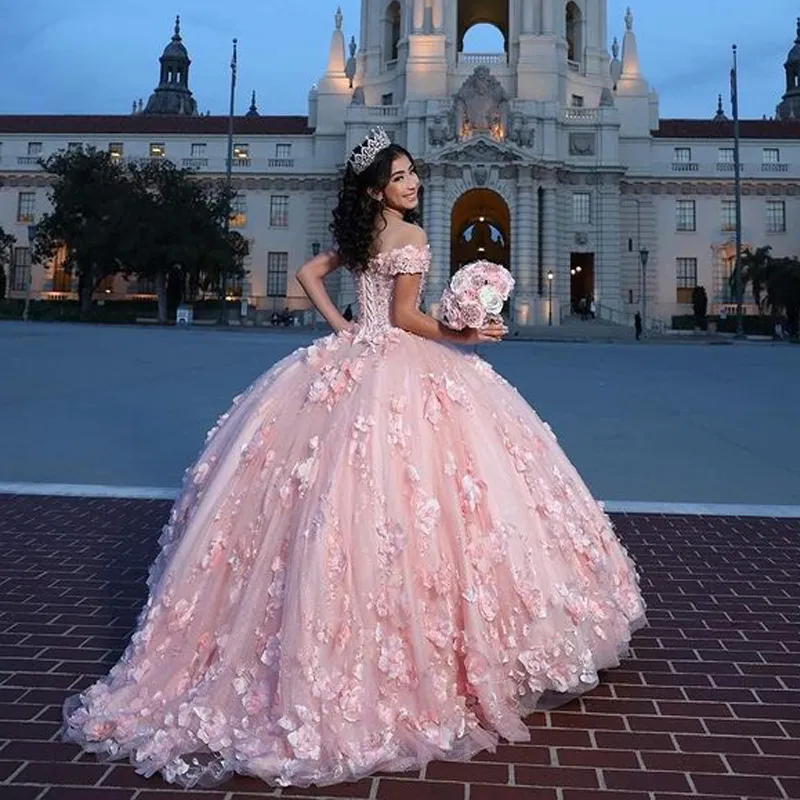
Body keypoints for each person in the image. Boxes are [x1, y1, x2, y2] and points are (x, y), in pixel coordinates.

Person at [61, 127, 646, 789]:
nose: (412, 185)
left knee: (319, 493)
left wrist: (342, 331)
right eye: (400, 178)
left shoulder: (365, 236)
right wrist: (466, 331)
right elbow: (406, 320)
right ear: (377, 188)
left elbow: (314, 276)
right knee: (424, 497)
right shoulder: (412, 238)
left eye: (412, 175)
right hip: (399, 364)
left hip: (347, 362)